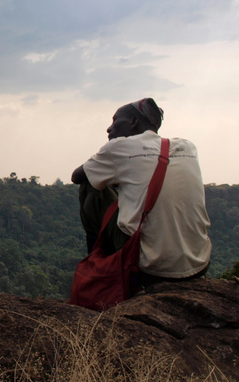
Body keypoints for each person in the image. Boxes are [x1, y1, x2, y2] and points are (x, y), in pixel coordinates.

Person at [71, 98, 211, 286]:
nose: (109, 129)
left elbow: (77, 176)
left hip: (150, 267)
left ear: (134, 122)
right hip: (198, 264)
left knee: (91, 186)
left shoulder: (119, 147)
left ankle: (99, 268)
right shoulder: (188, 147)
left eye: (115, 120)